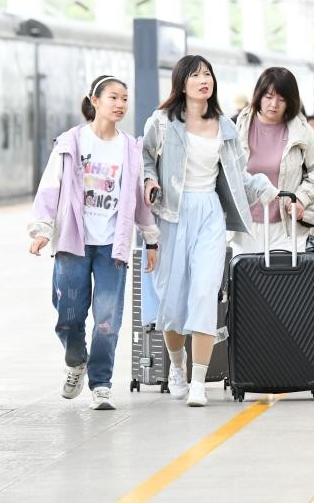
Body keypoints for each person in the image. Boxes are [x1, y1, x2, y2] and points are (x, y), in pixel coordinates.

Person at [142, 55, 278, 407]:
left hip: (209, 214)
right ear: (181, 82)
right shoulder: (161, 122)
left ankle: (199, 382)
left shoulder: (225, 126)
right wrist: (149, 181)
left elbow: (237, 174)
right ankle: (177, 367)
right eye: (195, 75)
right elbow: (145, 160)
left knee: (204, 294)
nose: (204, 80)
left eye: (208, 74)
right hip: (171, 215)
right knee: (172, 301)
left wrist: (264, 188)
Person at [28, 75, 159, 411]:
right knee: (69, 316)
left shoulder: (129, 148)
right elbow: (50, 187)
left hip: (112, 245)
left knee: (107, 320)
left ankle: (101, 384)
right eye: (113, 97)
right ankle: (76, 361)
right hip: (73, 242)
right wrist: (42, 229)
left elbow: (138, 199)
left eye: (125, 98)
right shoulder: (71, 142)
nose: (120, 104)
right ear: (94, 100)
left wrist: (151, 240)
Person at [232, 67, 314, 254]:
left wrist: (301, 199)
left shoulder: (303, 131)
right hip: (245, 226)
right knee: (245, 272)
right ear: (258, 95)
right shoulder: (238, 126)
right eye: (268, 97)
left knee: (283, 274)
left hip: (286, 228)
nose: (274, 104)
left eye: (282, 99)